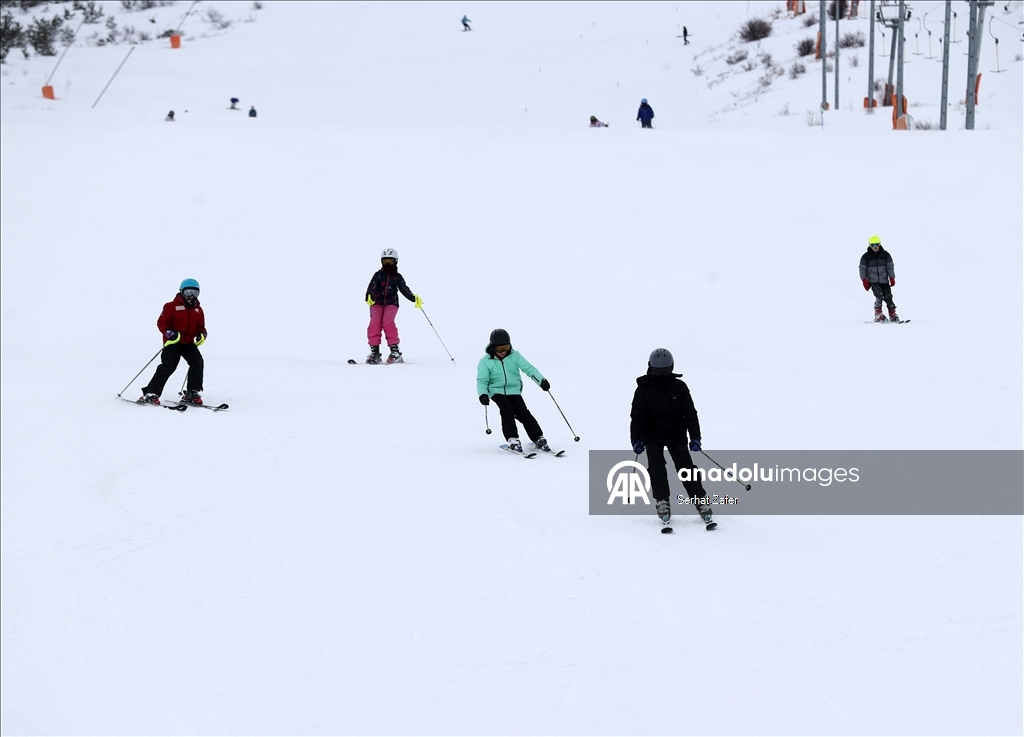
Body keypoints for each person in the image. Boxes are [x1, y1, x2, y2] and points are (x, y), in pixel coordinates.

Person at [629, 348, 712, 526]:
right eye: (658, 371)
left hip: (676, 435)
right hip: (652, 436)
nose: (661, 375)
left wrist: (695, 437)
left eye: (665, 371)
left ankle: (701, 501)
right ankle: (662, 502)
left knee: (687, 469)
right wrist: (636, 439)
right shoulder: (643, 389)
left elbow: (690, 413)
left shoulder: (679, 387)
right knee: (657, 469)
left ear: (671, 368)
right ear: (650, 368)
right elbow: (637, 417)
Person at [477, 329, 553, 453]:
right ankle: (512, 439)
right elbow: (482, 380)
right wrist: (483, 394)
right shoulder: (485, 362)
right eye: (499, 349)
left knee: (523, 412)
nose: (503, 351)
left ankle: (538, 437)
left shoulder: (515, 356)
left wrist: (541, 381)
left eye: (506, 347)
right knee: (507, 409)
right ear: (493, 347)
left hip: (513, 389)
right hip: (496, 390)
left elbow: (529, 369)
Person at [139, 279, 207, 405]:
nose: (191, 296)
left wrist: (202, 334)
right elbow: (161, 322)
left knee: (197, 362)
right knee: (168, 366)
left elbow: (201, 327)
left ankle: (192, 392)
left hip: (188, 343)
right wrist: (169, 333)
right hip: (173, 342)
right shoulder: (171, 306)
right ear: (181, 292)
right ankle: (151, 393)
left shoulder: (198, 310)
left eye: (195, 293)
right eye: (188, 292)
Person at [364, 248, 422, 364]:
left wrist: (413, 298)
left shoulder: (397, 277)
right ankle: (374, 352)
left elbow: (404, 289)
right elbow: (371, 287)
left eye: (390, 261)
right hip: (377, 303)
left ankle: (395, 351)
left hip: (391, 303)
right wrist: (369, 295)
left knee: (387, 322)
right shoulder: (378, 275)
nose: (388, 264)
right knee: (374, 323)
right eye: (385, 262)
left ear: (396, 261)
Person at [859, 234, 899, 322]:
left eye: (877, 245)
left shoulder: (885, 255)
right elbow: (862, 269)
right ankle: (878, 314)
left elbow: (890, 266)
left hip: (884, 280)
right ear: (870, 245)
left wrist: (891, 277)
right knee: (879, 295)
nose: (875, 247)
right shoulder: (866, 257)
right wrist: (864, 280)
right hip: (873, 281)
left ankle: (892, 313)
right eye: (873, 245)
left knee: (888, 296)